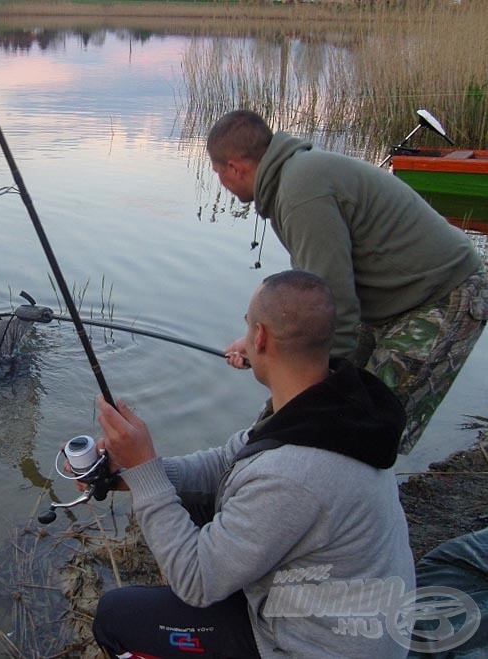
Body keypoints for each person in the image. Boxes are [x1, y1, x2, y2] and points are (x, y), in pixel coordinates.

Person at [90, 270, 415, 659]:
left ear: (259, 337)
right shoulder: (333, 408)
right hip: (329, 614)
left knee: (113, 617)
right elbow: (224, 463)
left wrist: (145, 471)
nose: (242, 340)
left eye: (247, 327)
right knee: (198, 503)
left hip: (318, 646)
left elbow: (196, 581)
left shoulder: (295, 473)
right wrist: (125, 471)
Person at [208, 110, 488, 454]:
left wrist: (296, 382)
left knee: (369, 422)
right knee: (319, 409)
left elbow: (330, 310)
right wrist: (257, 343)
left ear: (236, 167)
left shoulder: (301, 192)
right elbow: (311, 297)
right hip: (389, 303)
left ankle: (351, 501)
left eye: (219, 173)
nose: (220, 182)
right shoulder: (292, 181)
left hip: (443, 293)